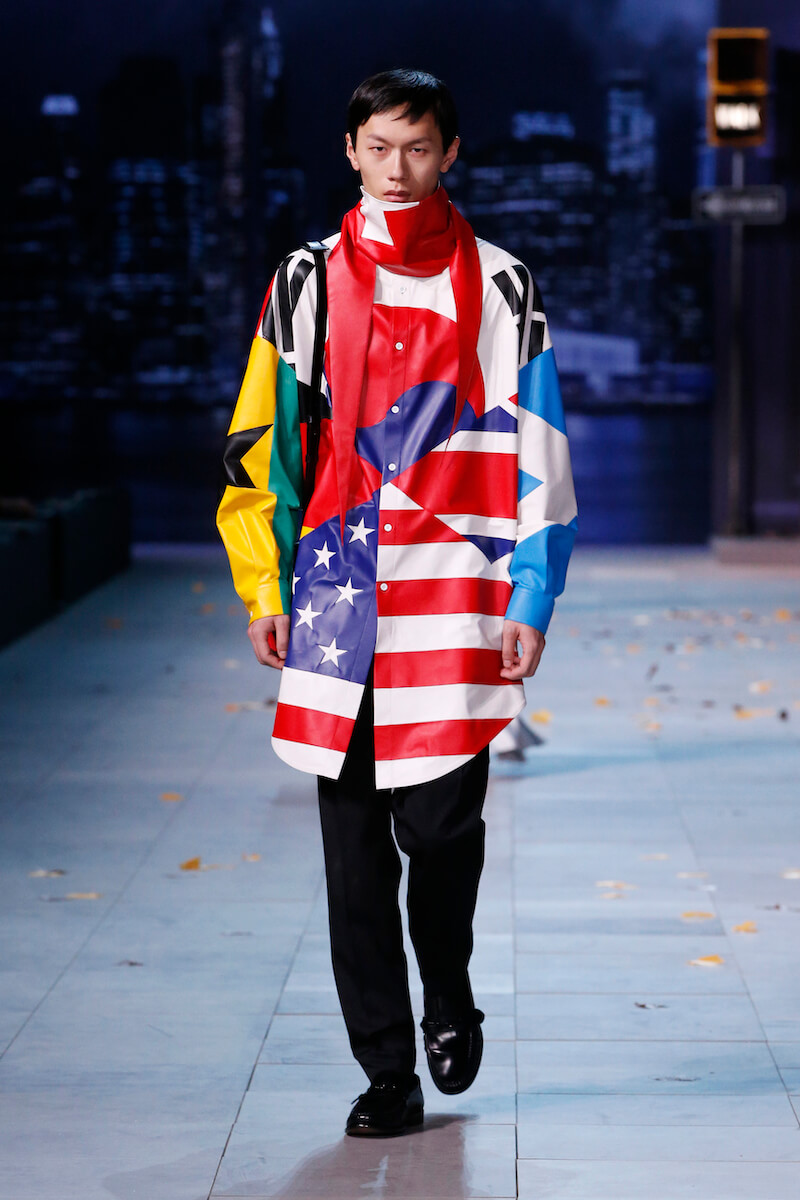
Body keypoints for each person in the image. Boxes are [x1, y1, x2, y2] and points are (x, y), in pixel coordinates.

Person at [216, 68, 577, 1137]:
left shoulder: (502, 285)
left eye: (417, 148)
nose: (397, 168)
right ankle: (386, 1072)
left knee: (443, 829)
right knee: (354, 857)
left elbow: (541, 446)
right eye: (378, 147)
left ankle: (448, 991)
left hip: (457, 588)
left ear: (449, 153)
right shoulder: (306, 281)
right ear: (350, 152)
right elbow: (262, 441)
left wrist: (532, 592)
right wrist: (263, 581)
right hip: (336, 587)